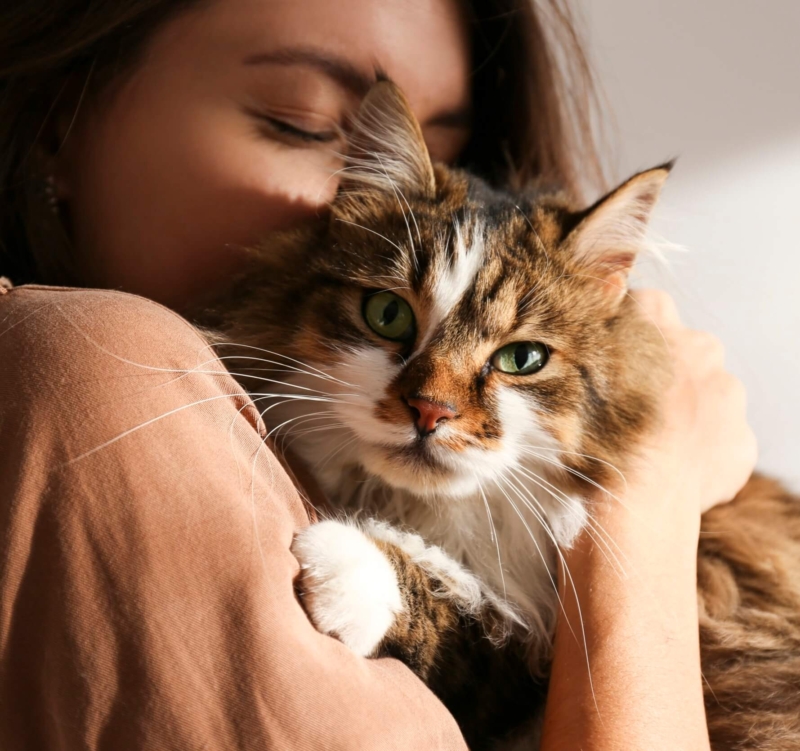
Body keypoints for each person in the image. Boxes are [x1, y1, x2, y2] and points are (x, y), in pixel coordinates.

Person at [0, 1, 756, 749]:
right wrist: (649, 500)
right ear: (57, 122)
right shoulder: (97, 368)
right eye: (305, 122)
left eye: (447, 150)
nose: (375, 200)